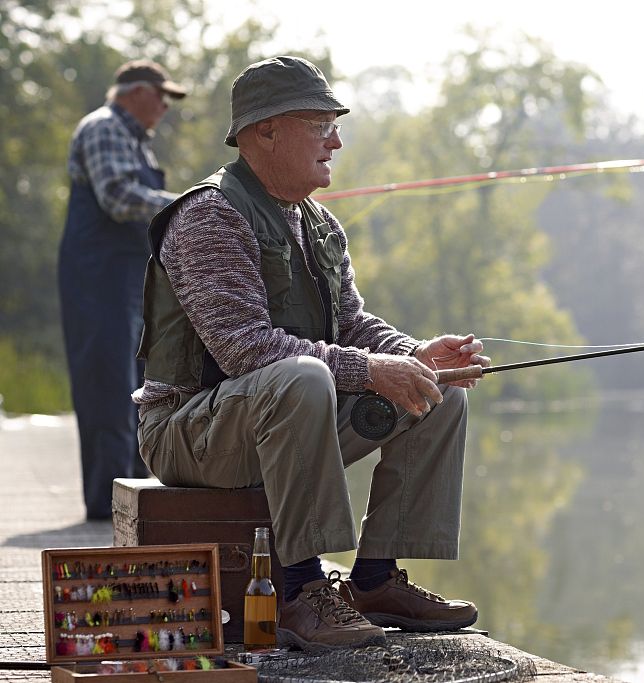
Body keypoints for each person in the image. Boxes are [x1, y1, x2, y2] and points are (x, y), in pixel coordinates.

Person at [133, 56, 490, 651]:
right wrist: (373, 370)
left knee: (437, 389)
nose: (337, 140)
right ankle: (298, 589)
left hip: (279, 418)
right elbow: (246, 349)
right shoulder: (208, 216)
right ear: (264, 131)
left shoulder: (318, 222)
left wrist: (414, 355)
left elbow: (350, 324)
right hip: (188, 433)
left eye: (336, 124)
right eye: (320, 123)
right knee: (299, 378)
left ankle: (375, 579)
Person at [59, 59, 187, 520]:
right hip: (98, 282)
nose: (166, 106)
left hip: (130, 283)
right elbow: (117, 197)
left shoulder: (137, 143)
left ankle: (135, 504)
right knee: (108, 388)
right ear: (135, 92)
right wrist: (189, 205)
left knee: (140, 391)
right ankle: (106, 507)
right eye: (162, 95)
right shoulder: (104, 127)